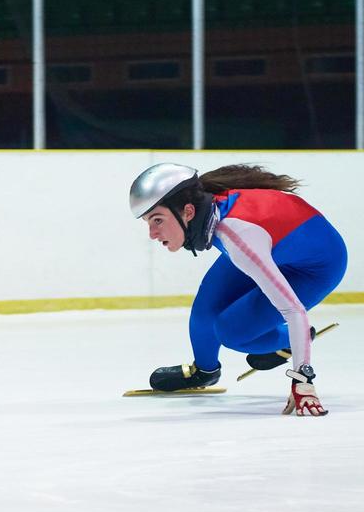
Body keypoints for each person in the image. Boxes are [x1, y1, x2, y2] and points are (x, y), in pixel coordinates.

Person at [129, 162, 348, 416]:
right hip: (275, 246)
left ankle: (290, 339)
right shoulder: (210, 208)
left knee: (231, 331)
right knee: (206, 309)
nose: (153, 234)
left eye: (157, 220)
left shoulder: (238, 235)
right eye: (148, 222)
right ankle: (205, 371)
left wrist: (303, 382)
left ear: (188, 212)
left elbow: (293, 309)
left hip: (316, 267)